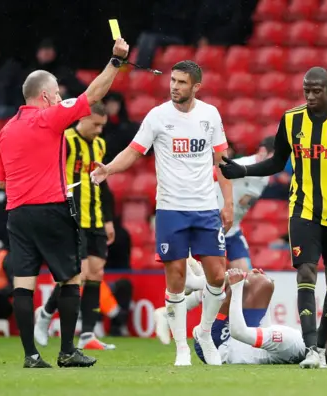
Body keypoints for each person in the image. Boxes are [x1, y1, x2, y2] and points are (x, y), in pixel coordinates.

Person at [219, 66, 327, 369]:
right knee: (306, 273)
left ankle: (320, 342)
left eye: (317, 90)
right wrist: (243, 169)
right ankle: (312, 348)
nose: (311, 96)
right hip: (303, 210)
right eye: (307, 91)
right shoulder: (291, 120)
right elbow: (277, 161)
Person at [0, 38, 129, 368]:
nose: (58, 97)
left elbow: (1, 181)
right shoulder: (49, 117)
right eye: (55, 92)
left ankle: (30, 355)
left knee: (23, 284)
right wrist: (115, 62)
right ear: (44, 96)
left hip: (17, 214)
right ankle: (68, 351)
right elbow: (93, 96)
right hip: (51, 209)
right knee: (71, 278)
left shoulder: (5, 130)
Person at [90, 60, 233, 366]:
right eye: (173, 81)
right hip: (171, 209)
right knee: (176, 278)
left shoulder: (210, 115)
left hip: (206, 207)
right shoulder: (157, 116)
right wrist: (109, 169)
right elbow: (133, 150)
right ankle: (182, 347)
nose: (174, 86)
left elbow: (222, 161)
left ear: (196, 86)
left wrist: (229, 203)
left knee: (218, 276)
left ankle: (204, 332)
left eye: (182, 82)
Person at [34, 103, 117, 351]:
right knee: (75, 275)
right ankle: (46, 315)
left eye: (103, 125)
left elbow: (103, 184)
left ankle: (87, 335)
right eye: (96, 124)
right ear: (83, 118)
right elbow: (48, 175)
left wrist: (109, 218)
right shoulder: (66, 141)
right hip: (71, 217)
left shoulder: (100, 145)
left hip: (96, 219)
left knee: (96, 274)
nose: (100, 130)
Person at [202, 268, 327, 365]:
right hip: (234, 344)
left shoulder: (290, 342)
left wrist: (236, 287)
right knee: (264, 283)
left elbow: (238, 332)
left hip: (218, 344)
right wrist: (265, 296)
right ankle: (197, 281)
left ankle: (195, 286)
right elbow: (264, 329)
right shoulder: (299, 346)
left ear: (321, 348)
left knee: (250, 281)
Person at [216, 136, 275, 270]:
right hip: (213, 227)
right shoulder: (241, 165)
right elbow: (213, 175)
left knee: (244, 275)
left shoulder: (266, 175)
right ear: (263, 151)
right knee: (214, 277)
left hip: (232, 229)